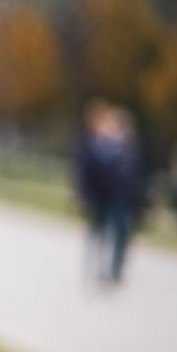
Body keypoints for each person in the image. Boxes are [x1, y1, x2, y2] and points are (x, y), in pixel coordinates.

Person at [74, 100, 144, 286]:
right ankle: (100, 266)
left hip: (121, 198)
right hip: (101, 197)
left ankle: (115, 269)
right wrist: (85, 194)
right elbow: (85, 172)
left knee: (121, 232)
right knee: (99, 232)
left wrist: (139, 199)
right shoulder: (95, 146)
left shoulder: (125, 148)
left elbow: (134, 175)